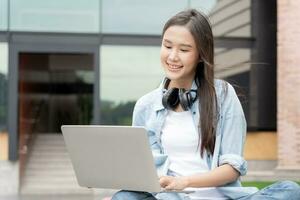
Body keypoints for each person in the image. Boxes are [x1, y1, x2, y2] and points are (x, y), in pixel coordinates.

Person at [111, 9, 300, 200]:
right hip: (170, 198)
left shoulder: (224, 95)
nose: (173, 57)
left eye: (184, 50)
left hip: (219, 196)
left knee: (290, 189)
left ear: (201, 55)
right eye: (167, 46)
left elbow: (232, 168)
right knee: (124, 196)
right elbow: (144, 169)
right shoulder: (146, 105)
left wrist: (185, 182)